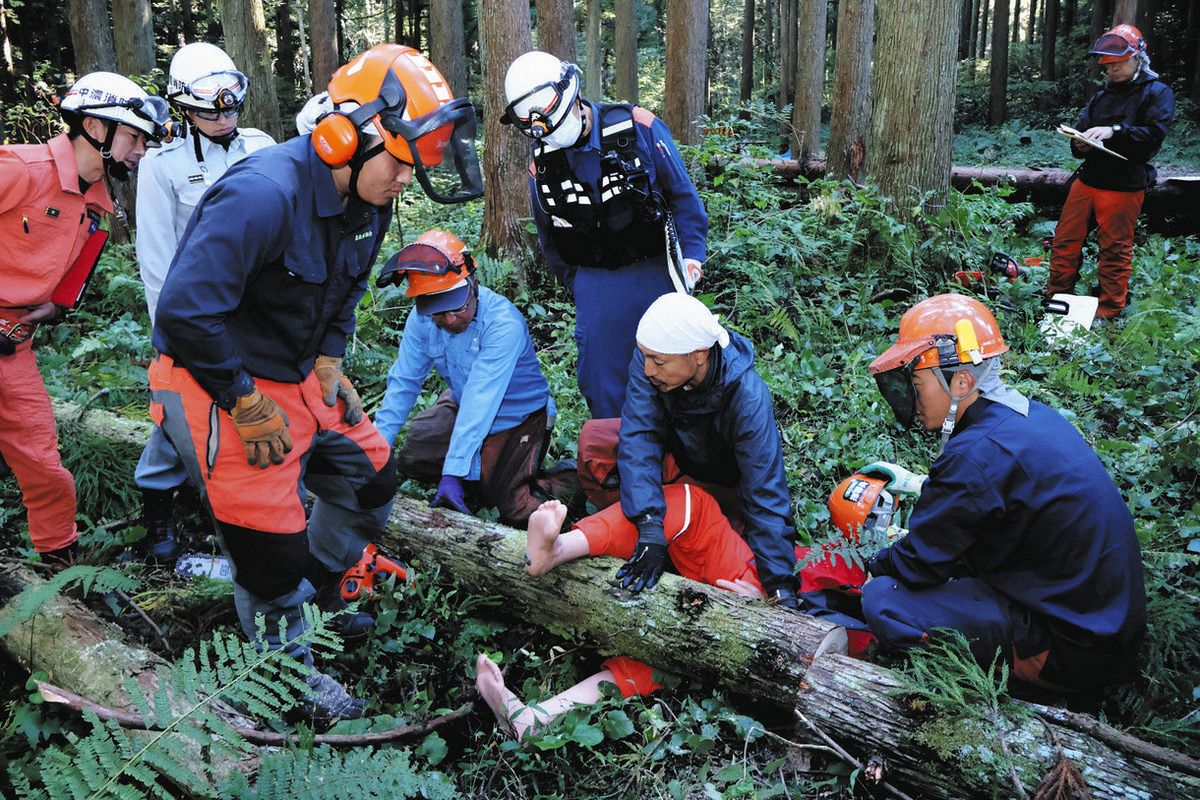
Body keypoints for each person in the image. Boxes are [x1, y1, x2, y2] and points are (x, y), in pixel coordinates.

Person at [149, 44, 483, 720]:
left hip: (295, 371)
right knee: (266, 546)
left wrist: (331, 355)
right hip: (213, 376)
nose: (402, 185)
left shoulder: (370, 198)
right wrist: (242, 401)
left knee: (370, 485)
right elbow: (183, 312)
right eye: (397, 166)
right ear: (345, 138)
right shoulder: (261, 195)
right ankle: (285, 675)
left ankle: (322, 592)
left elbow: (347, 287)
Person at [861, 293, 1146, 695]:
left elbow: (919, 565)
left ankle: (988, 685)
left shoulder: (975, 455)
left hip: (1070, 649)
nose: (909, 393)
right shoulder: (1029, 417)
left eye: (917, 382)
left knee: (882, 600)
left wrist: (874, 566)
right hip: (1104, 626)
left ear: (961, 381)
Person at [475, 481, 869, 740]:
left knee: (667, 659)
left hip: (766, 628)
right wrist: (771, 585)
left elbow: (827, 661)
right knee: (689, 505)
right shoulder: (874, 561)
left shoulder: (885, 624)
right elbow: (786, 553)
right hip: (750, 572)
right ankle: (557, 549)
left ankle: (534, 719)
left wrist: (769, 613)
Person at [1, 72, 169, 567]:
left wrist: (56, 305)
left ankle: (58, 562)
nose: (141, 150)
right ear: (95, 126)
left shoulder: (98, 204)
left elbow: (74, 279)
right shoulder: (19, 168)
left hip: (15, 347)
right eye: (134, 137)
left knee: (43, 462)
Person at [501, 50, 709, 419]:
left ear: (574, 95)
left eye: (553, 114)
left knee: (674, 368)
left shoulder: (637, 127)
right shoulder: (542, 166)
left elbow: (683, 198)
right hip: (595, 280)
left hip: (655, 269)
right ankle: (616, 463)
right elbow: (549, 236)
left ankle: (682, 459)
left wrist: (691, 258)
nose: (548, 128)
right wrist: (580, 284)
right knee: (603, 382)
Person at [133, 42, 277, 562]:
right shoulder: (161, 165)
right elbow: (156, 258)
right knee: (178, 416)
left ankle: (257, 516)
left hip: (255, 313)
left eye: (230, 105)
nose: (222, 117)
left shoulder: (262, 146)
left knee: (254, 410)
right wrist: (171, 338)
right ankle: (157, 523)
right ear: (184, 107)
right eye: (208, 109)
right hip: (194, 318)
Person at [607, 293, 800, 606]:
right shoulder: (656, 358)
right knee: (596, 441)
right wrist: (650, 523)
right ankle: (640, 530)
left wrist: (781, 588)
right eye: (644, 357)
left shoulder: (748, 398)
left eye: (657, 362)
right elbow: (640, 434)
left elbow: (765, 491)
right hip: (677, 458)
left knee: (737, 548)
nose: (647, 370)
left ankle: (701, 524)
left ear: (698, 355)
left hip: (724, 483)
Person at [372, 229, 575, 527]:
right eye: (439, 314)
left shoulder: (503, 325)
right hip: (461, 402)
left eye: (457, 307)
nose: (451, 319)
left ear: (473, 284)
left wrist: (452, 472)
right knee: (413, 457)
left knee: (512, 506)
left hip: (516, 416)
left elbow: (481, 402)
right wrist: (376, 447)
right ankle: (474, 470)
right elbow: (404, 382)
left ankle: (569, 479)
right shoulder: (421, 319)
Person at [1046, 24, 1174, 320]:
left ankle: (1109, 310)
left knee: (1115, 250)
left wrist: (1114, 131)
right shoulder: (1102, 96)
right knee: (1065, 241)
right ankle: (1056, 299)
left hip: (1124, 186)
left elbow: (1153, 134)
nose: (1112, 69)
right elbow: (1081, 128)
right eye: (1107, 63)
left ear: (1138, 59)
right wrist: (1082, 145)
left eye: (1118, 63)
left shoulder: (1157, 93)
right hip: (1088, 180)